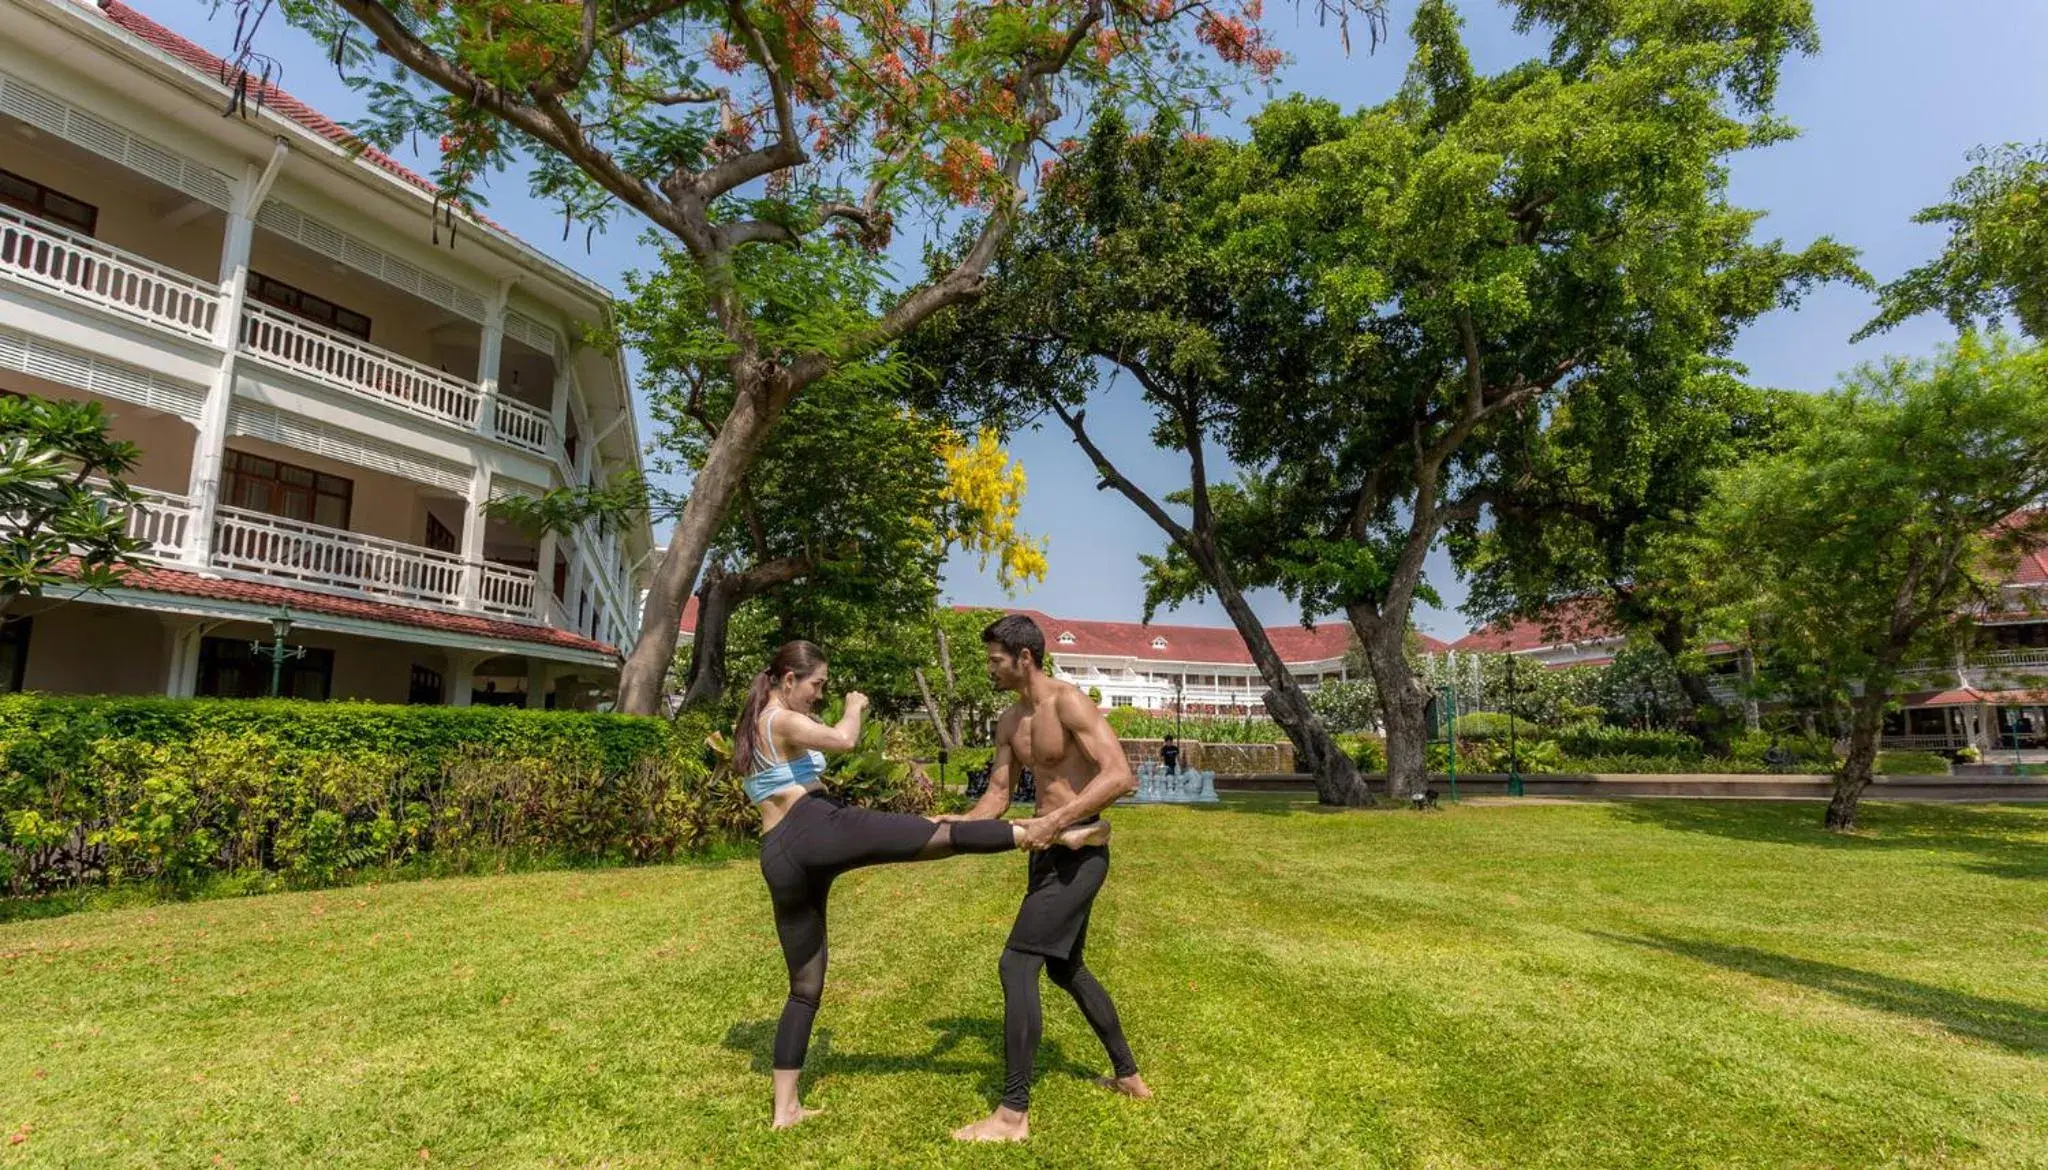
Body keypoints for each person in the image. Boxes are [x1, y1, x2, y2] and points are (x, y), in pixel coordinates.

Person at [740, 639, 1106, 1129]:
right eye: (817, 685)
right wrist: (854, 705)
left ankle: (786, 1109)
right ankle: (1048, 835)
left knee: (804, 988)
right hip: (815, 827)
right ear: (789, 681)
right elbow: (845, 740)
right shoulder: (779, 717)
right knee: (940, 835)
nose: (820, 695)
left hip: (780, 856)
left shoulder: (754, 725)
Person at [946, 615, 1151, 1143]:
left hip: (1080, 853)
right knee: (1066, 968)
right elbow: (997, 794)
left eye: (996, 660)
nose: (990, 669)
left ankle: (1013, 1114)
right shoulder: (1010, 722)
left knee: (1016, 965)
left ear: (1025, 658)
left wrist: (1056, 822)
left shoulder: (1069, 703)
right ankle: (1128, 1075)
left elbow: (1120, 775)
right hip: (1046, 855)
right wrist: (953, 826)